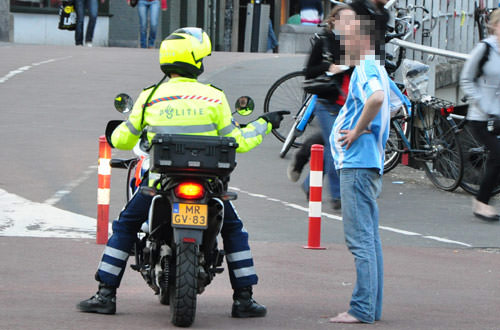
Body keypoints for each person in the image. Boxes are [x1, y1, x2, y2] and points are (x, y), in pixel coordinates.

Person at [76, 27, 288, 317]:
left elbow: (125, 139)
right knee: (234, 230)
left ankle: (106, 294)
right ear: (196, 62)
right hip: (210, 183)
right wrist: (264, 124)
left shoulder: (151, 96)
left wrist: (113, 135)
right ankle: (243, 299)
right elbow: (238, 141)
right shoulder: (214, 97)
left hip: (159, 182)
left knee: (126, 226)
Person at [329, 5, 391, 323]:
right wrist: (377, 129)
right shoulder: (377, 67)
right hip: (369, 162)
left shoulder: (366, 68)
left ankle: (362, 308)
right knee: (370, 237)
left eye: (349, 35)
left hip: (357, 163)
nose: (343, 40)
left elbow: (377, 99)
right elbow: (399, 106)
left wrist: (356, 130)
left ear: (364, 39)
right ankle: (372, 307)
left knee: (360, 239)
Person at [287, 7, 354, 210]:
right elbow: (309, 72)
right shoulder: (323, 41)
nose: (351, 25)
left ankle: (310, 184)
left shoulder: (354, 43)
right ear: (334, 21)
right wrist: (329, 67)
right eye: (347, 20)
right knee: (335, 149)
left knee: (329, 147)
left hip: (347, 104)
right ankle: (337, 195)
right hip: (327, 102)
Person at [460, 9, 500, 222]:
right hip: (481, 116)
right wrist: (483, 104)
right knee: (497, 157)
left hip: (499, 115)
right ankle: (481, 202)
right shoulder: (484, 49)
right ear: (495, 26)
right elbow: (466, 80)